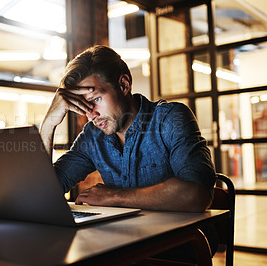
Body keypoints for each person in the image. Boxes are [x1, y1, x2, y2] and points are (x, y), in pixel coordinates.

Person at [40, 45, 218, 262]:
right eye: (84, 105)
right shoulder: (92, 137)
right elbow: (43, 193)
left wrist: (112, 196)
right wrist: (48, 124)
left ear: (124, 84)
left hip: (179, 247)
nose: (91, 115)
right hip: (120, 244)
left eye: (95, 99)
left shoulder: (170, 118)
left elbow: (196, 194)